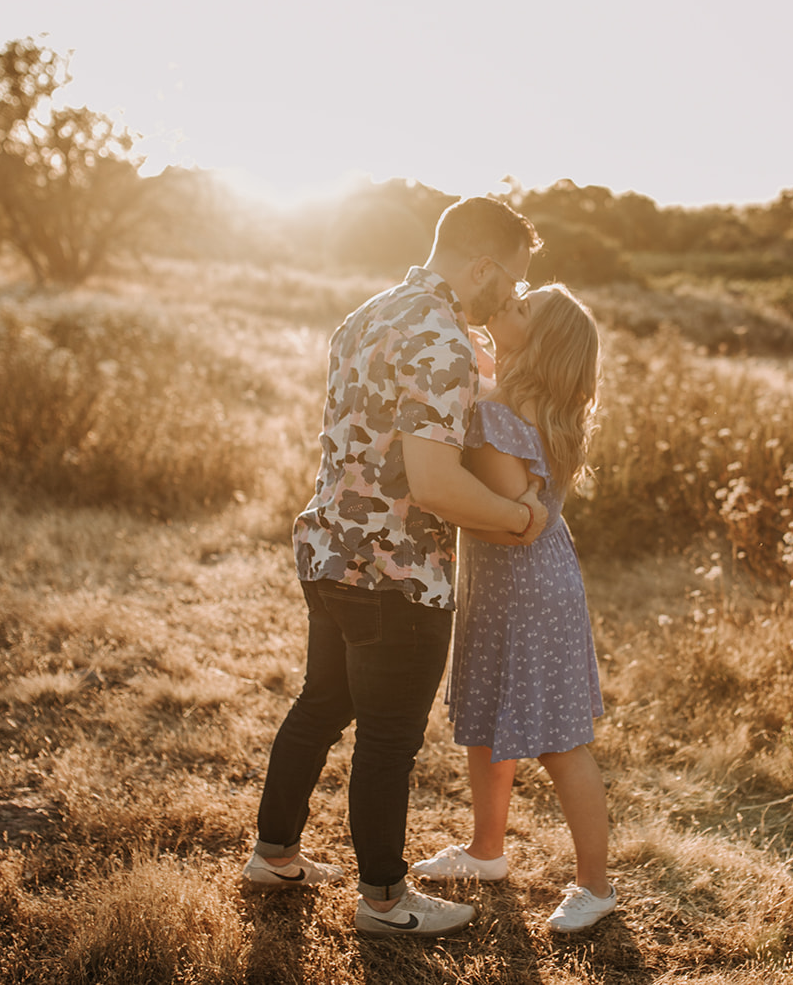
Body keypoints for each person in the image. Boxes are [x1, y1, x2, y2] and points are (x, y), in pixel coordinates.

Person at [241, 197, 549, 939]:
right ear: (481, 266)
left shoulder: (370, 311)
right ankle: (384, 899)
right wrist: (521, 518)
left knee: (320, 704)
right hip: (397, 572)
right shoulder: (442, 340)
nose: (508, 300)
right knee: (387, 740)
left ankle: (274, 853)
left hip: (329, 553)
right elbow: (436, 483)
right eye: (509, 284)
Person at [411, 284, 616, 933]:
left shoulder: (500, 412)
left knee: (559, 741)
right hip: (516, 580)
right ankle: (487, 849)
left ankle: (596, 885)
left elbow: (507, 522)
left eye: (523, 308)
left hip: (524, 581)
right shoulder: (537, 404)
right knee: (488, 716)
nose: (508, 303)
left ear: (541, 343)